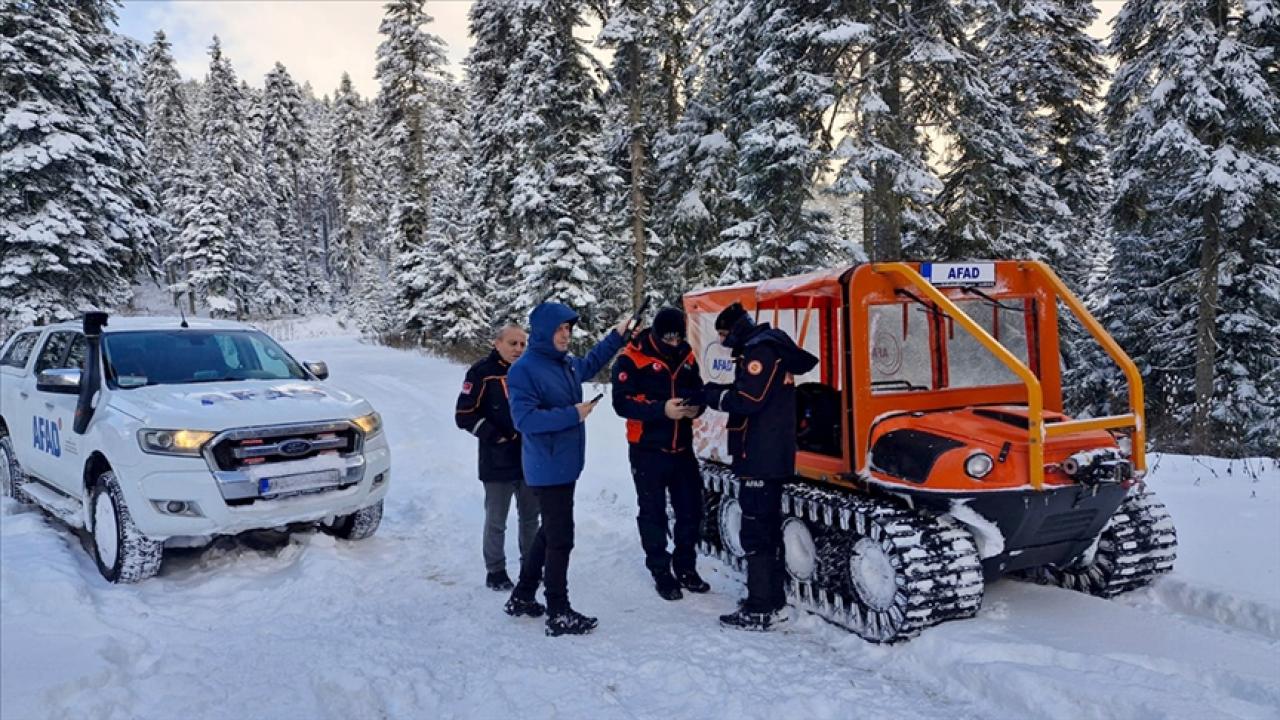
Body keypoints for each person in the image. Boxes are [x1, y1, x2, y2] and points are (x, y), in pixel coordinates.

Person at [503, 302, 629, 637]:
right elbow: (524, 419)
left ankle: (522, 596)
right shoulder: (524, 370)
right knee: (562, 538)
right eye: (560, 329)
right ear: (544, 330)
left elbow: (590, 362)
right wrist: (573, 414)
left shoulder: (565, 364)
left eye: (569, 329)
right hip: (546, 466)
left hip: (565, 463)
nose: (566, 335)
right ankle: (558, 611)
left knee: (549, 532)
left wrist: (617, 337)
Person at [702, 302, 818, 631]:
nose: (723, 341)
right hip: (765, 452)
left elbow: (748, 400)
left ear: (736, 328)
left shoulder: (760, 351)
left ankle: (759, 607)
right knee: (764, 527)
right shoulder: (766, 347)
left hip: (760, 454)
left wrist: (713, 396)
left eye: (724, 334)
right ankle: (770, 598)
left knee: (756, 530)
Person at [612, 307, 711, 601]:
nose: (673, 343)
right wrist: (661, 410)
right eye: (668, 338)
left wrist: (696, 408)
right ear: (656, 334)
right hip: (647, 449)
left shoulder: (687, 355)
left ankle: (686, 567)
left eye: (677, 337)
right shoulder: (631, 357)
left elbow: (699, 391)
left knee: (691, 510)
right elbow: (622, 404)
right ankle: (660, 570)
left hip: (682, 447)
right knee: (653, 512)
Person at [455, 324, 538, 592]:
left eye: (523, 344)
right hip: (496, 461)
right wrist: (495, 435)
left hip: (529, 460)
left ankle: (531, 566)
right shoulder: (481, 373)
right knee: (496, 521)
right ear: (497, 343)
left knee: (530, 519)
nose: (519, 349)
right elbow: (463, 415)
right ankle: (496, 570)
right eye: (513, 343)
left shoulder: (529, 371)